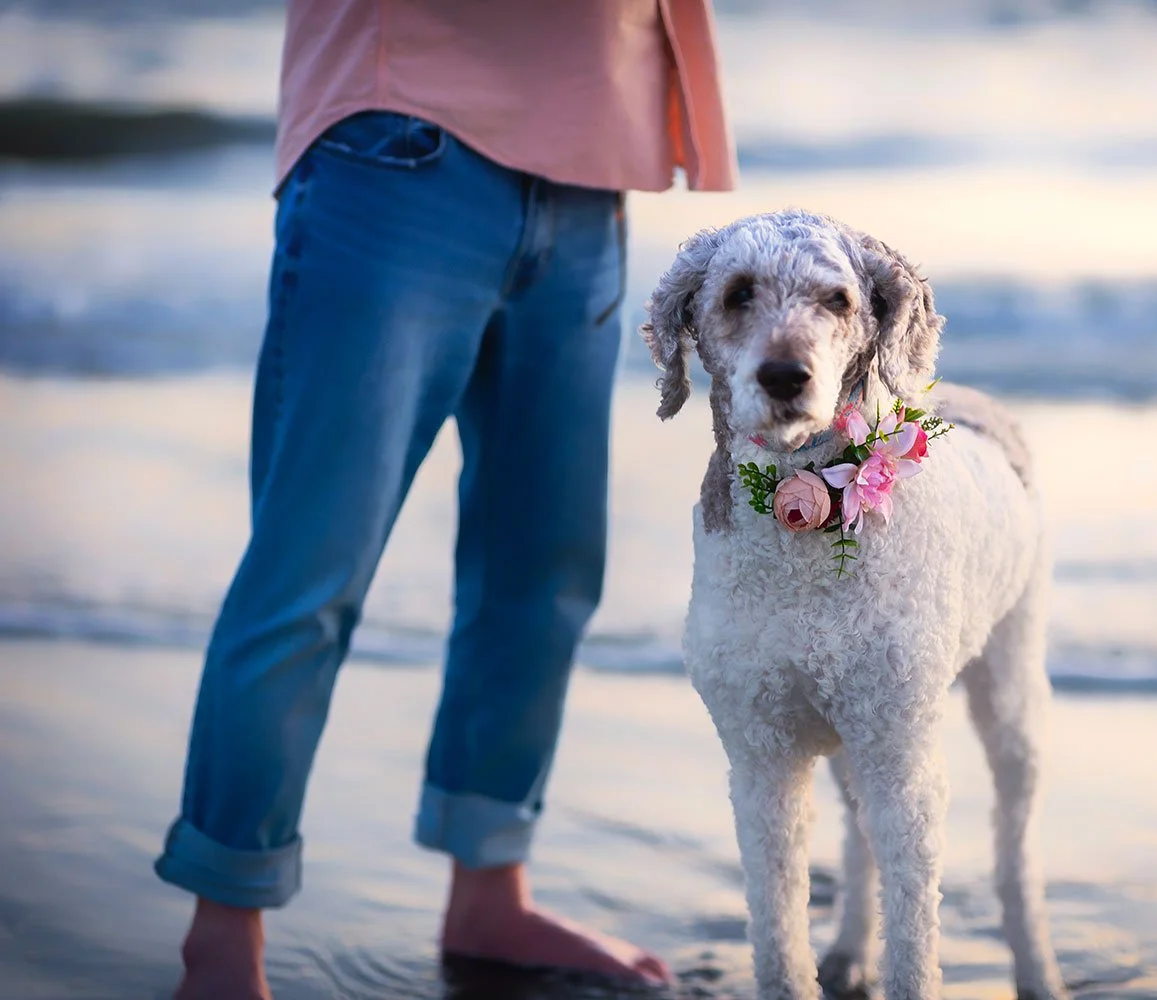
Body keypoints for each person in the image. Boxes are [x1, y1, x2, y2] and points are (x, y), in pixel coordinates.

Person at [153, 4, 736, 997]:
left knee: (544, 568)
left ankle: (491, 889)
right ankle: (223, 935)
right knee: (312, 568)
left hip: (588, 169)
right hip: (403, 144)